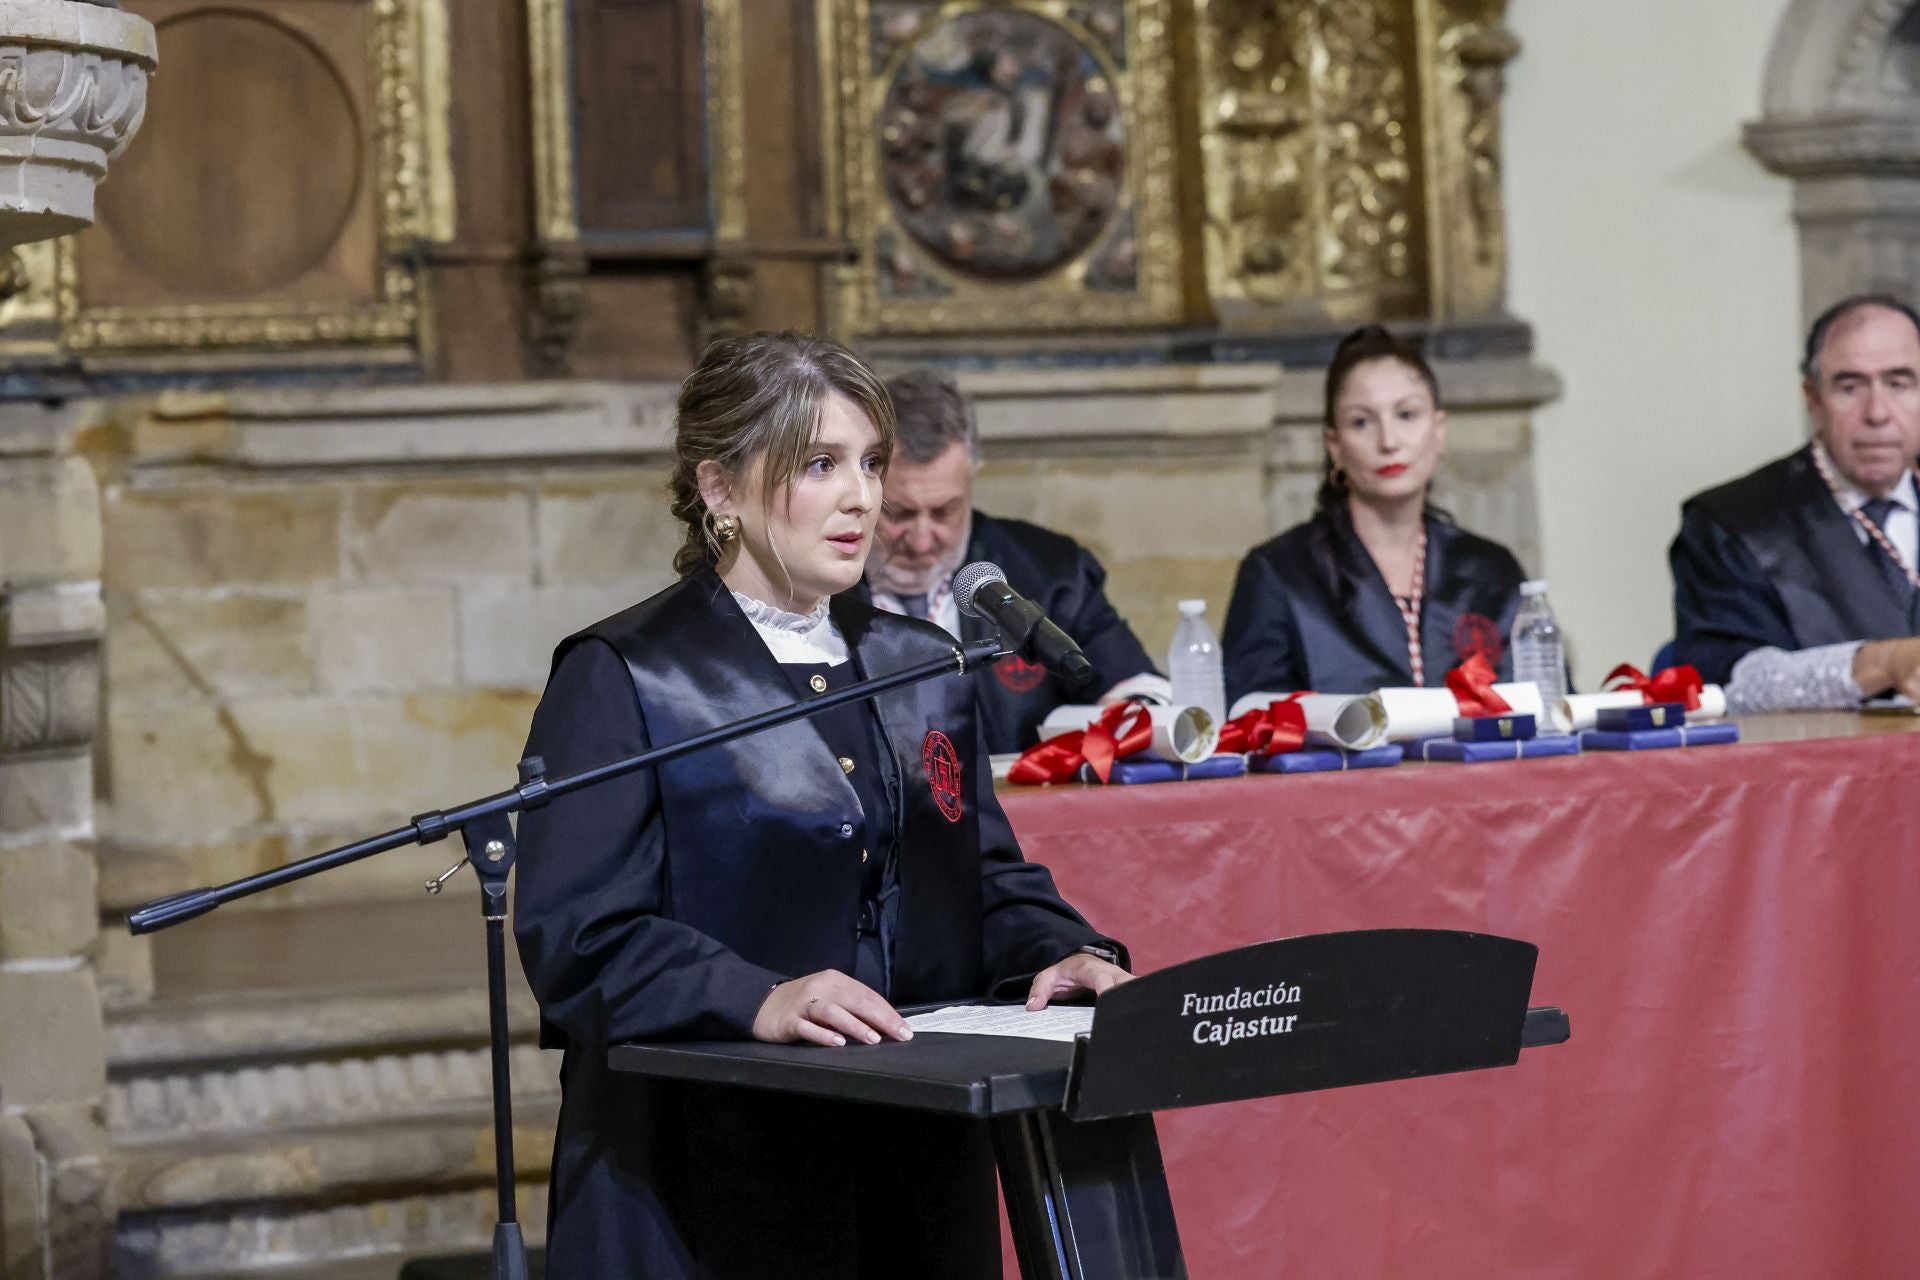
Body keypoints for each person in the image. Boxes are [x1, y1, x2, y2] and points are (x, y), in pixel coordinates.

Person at [511, 332, 1129, 1279]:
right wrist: (755, 997)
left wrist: (1059, 950)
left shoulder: (920, 663)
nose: (863, 498)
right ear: (718, 487)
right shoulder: (628, 676)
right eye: (819, 464)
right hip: (710, 1169)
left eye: (869, 464)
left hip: (909, 1152)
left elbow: (978, 878)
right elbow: (579, 936)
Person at [862, 369, 1166, 752]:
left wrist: (1128, 714)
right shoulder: (816, 585)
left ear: (974, 477)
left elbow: (1138, 684)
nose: (922, 541)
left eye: (944, 512)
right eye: (901, 514)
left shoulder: (1048, 570)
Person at [1222, 325, 1528, 701]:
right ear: (1334, 445)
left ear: (1439, 429)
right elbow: (1250, 720)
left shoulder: (1490, 569)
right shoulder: (1279, 574)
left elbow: (1543, 704)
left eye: (1407, 414)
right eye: (1361, 422)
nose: (1389, 441)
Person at [1670, 294, 1920, 709]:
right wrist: (1882, 663)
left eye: (1899, 384)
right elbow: (1727, 686)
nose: (1878, 413)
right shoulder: (1730, 523)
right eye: (1850, 387)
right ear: (1813, 399)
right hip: (1829, 769)